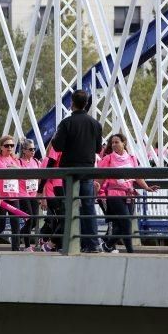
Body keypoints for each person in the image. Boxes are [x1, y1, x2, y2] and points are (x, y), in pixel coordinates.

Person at [50, 89, 103, 253]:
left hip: (70, 171)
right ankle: (93, 243)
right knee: (88, 206)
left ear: (72, 103)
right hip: (87, 169)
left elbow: (57, 146)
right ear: (86, 103)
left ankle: (71, 243)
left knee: (71, 206)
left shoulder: (66, 123)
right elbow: (98, 148)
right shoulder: (95, 124)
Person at [96, 134, 158, 254]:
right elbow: (99, 178)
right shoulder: (108, 159)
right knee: (127, 222)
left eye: (116, 142)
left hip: (129, 195)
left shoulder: (131, 158)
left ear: (124, 143)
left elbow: (137, 176)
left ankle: (107, 245)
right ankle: (130, 251)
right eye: (112, 143)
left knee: (121, 226)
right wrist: (96, 192)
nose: (114, 144)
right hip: (114, 194)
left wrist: (147, 187)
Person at [0, 135, 23, 251]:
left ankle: (16, 249)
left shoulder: (15, 160)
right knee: (0, 224)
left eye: (12, 145)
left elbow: (24, 176)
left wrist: (16, 169)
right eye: (7, 145)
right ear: (1, 147)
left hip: (13, 196)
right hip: (0, 197)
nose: (10, 148)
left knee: (16, 224)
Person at [17, 139, 41, 252]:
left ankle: (18, 235)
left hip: (34, 194)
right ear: (24, 150)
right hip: (23, 194)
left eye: (34, 149)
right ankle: (27, 246)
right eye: (30, 149)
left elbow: (42, 177)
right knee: (29, 220)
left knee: (35, 221)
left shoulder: (36, 161)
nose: (33, 151)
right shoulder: (19, 162)